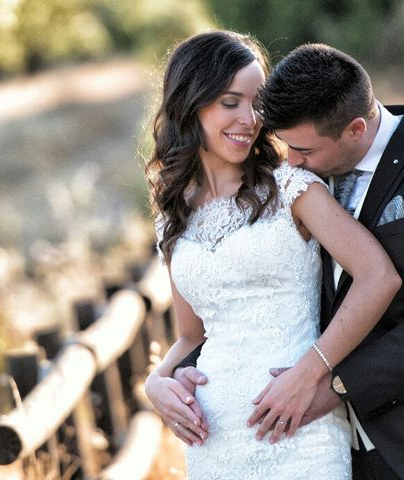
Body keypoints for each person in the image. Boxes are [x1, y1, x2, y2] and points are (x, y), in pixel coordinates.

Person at [143, 31, 401, 479]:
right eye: (230, 102)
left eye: (255, 103)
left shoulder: (293, 186)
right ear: (191, 103)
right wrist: (155, 383)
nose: (249, 119)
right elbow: (191, 335)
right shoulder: (173, 216)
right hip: (214, 435)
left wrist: (310, 373)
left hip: (298, 423)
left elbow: (377, 276)